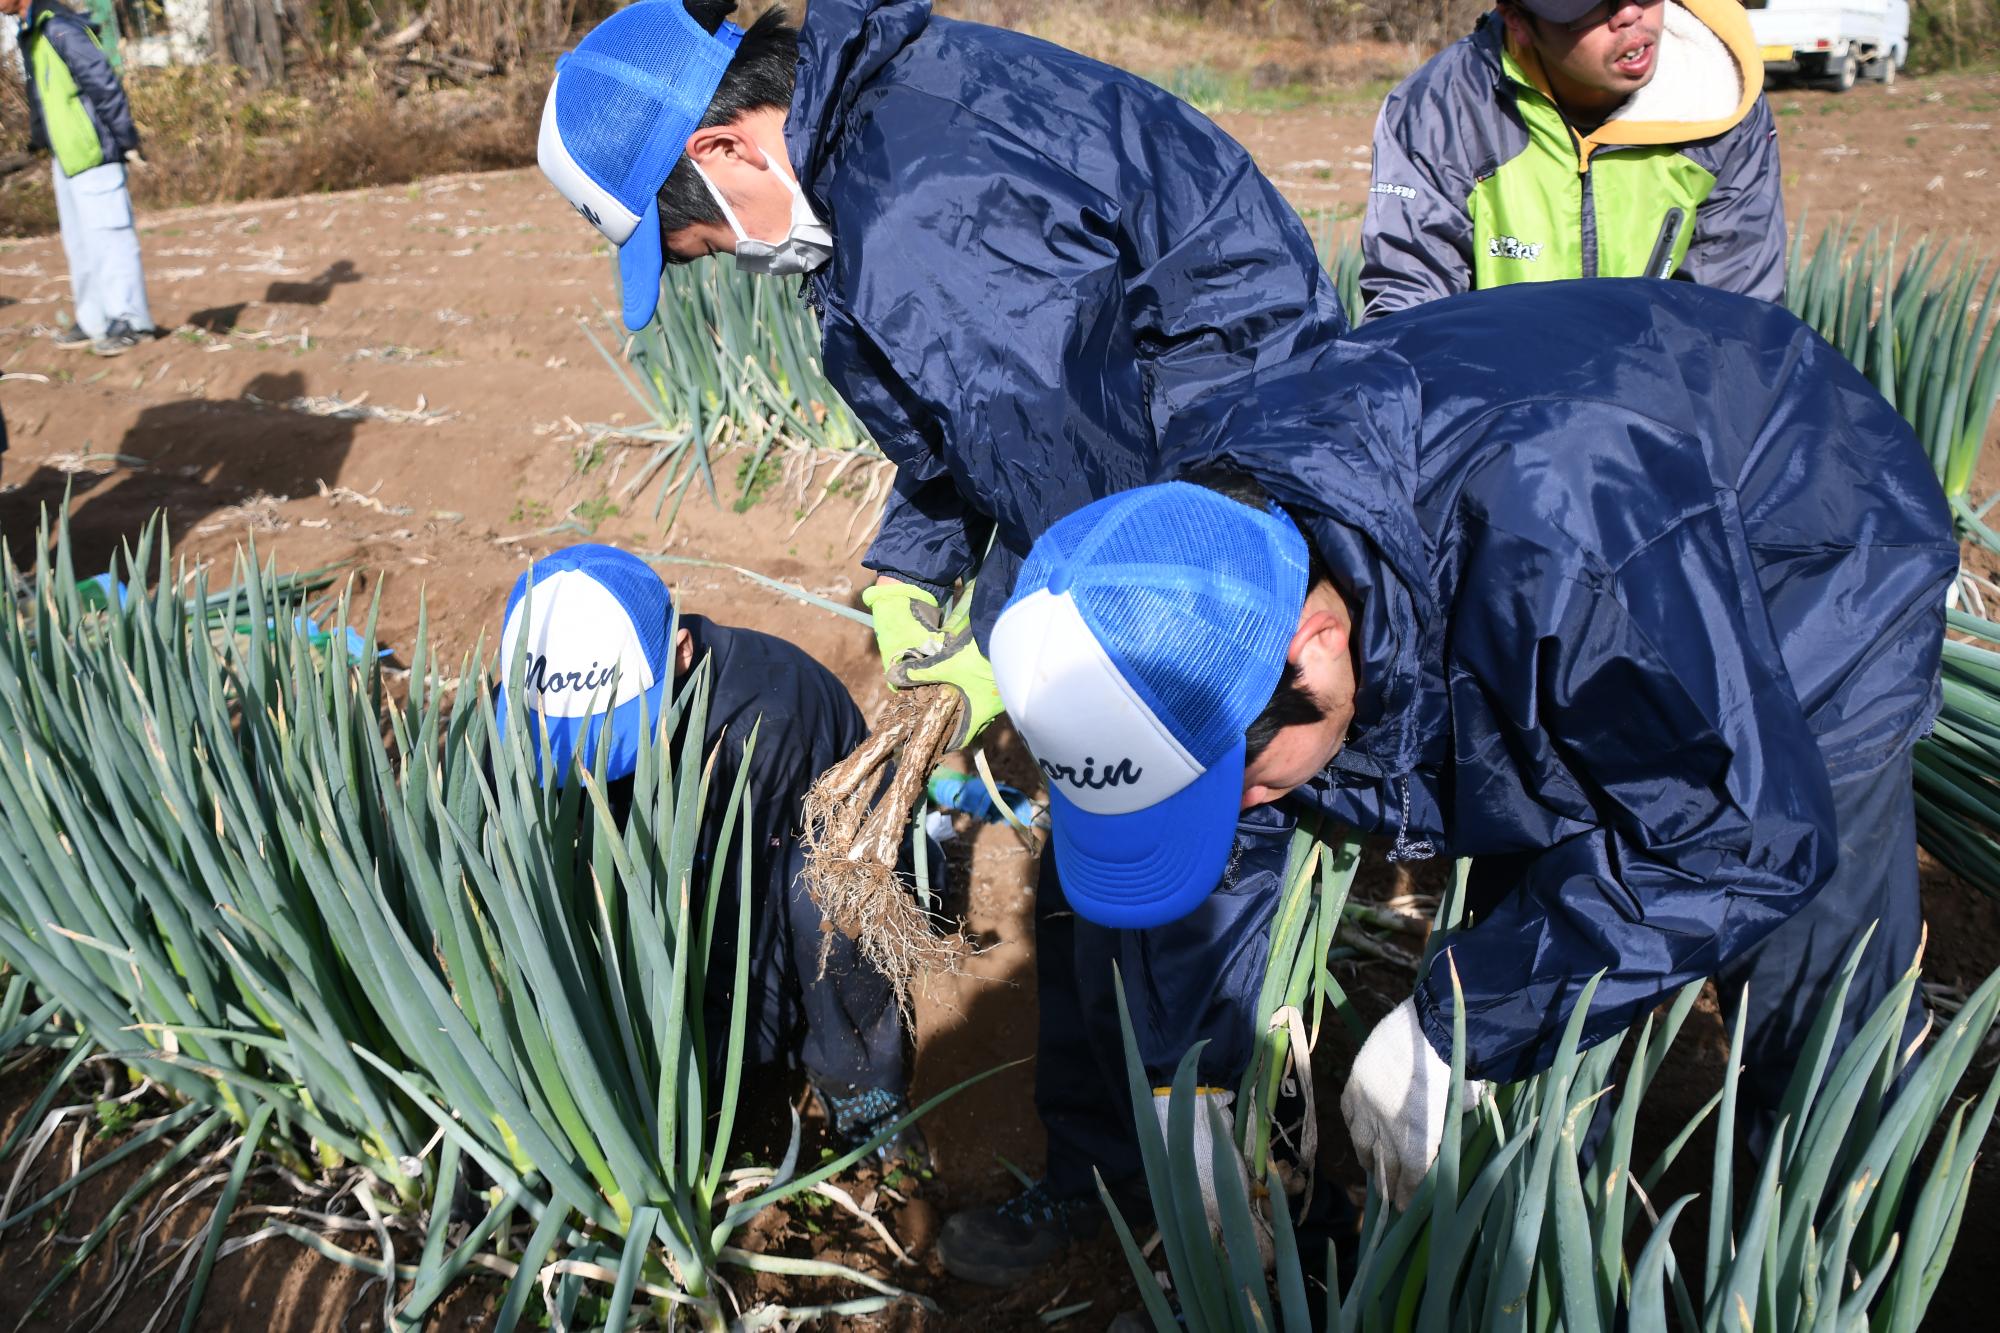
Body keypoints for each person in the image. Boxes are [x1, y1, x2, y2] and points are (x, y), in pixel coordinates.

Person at [535, 0, 1347, 1281]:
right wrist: (918, 569)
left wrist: (1014, 646)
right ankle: (1100, 1181)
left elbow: (1070, 472)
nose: (710, 260)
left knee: (1186, 878)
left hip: (1202, 511)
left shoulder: (920, 212)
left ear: (728, 145)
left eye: (690, 240)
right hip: (1132, 466)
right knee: (1093, 852)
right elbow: (971, 420)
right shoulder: (873, 151)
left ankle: (1238, 1250)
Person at [987, 279, 1953, 1217]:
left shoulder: (1560, 550)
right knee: (1547, 946)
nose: (1239, 812)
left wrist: (1460, 1024)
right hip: (1548, 585)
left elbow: (1747, 833)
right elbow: (1227, 820)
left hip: (1811, 547)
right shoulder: (1189, 556)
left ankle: (1842, 1228)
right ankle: (1554, 1210)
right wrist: (1188, 1076)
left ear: (1314, 656)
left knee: (1812, 991)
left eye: (1228, 788)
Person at [495, 544, 927, 1161]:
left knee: (820, 901)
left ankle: (859, 1091)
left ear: (681, 653)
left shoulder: (767, 726)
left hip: (804, 867)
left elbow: (751, 939)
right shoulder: (542, 679)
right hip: (694, 866)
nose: (595, 762)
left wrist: (732, 1108)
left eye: (617, 731)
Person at [1360, 1, 1785, 321]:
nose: (1630, 14)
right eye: (1591, 6)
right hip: (1494, 412)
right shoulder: (1440, 109)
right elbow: (1412, 310)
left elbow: (1734, 318)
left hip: (1657, 415)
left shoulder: (1720, 101)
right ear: (1518, 21)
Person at [8, 0, 154, 355]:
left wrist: (126, 139)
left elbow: (102, 81)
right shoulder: (35, 30)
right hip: (68, 157)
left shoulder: (60, 27)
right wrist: (39, 141)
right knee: (81, 245)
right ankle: (96, 321)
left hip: (94, 150)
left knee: (110, 238)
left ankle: (132, 321)